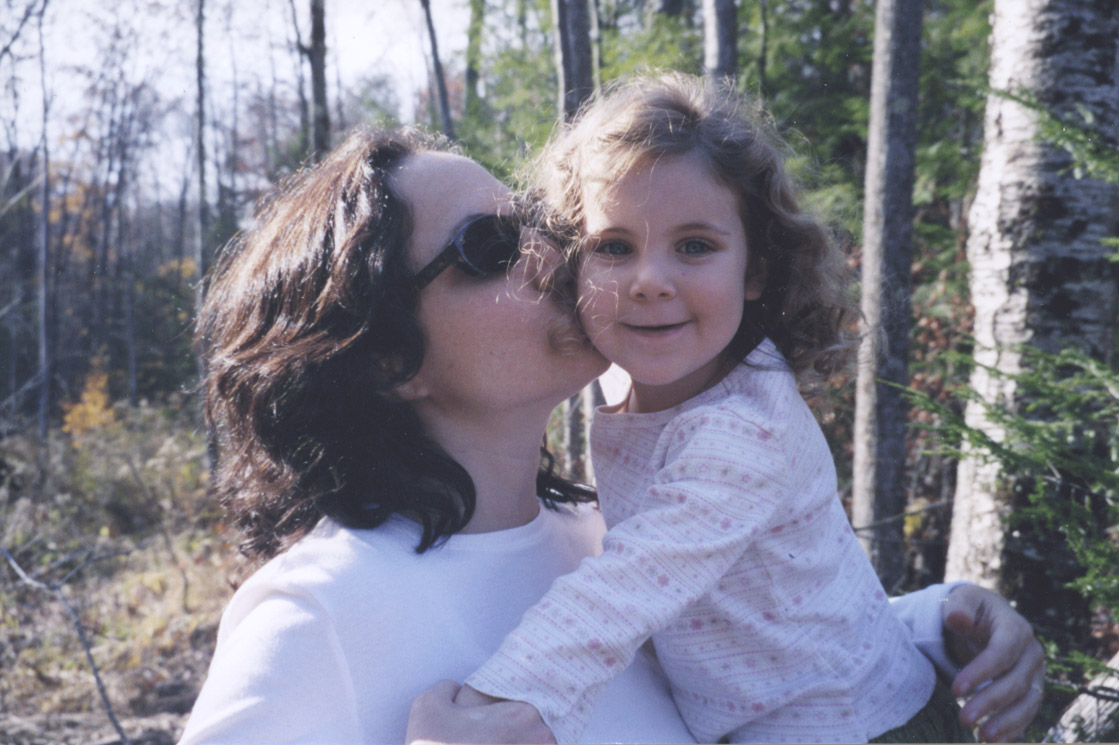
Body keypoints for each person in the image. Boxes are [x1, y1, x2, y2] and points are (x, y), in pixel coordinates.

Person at [178, 125, 1044, 745]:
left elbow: (750, 649)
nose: (553, 255)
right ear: (389, 359)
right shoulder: (318, 613)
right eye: (488, 245)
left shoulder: (598, 529)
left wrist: (934, 625)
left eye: (535, 221)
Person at [456, 73, 978, 744]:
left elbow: (631, 583)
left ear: (754, 269)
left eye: (695, 246)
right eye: (613, 246)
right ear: (573, 263)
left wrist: (496, 700)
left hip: (854, 726)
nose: (649, 281)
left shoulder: (742, 429)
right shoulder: (629, 389)